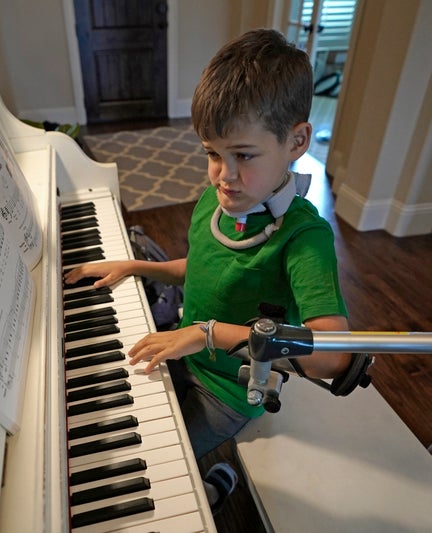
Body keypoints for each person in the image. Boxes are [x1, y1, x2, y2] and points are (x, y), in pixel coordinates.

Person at [64, 28, 352, 514]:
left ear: (297, 140)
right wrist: (137, 265)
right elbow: (205, 270)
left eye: (244, 155)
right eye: (213, 154)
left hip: (229, 391)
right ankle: (212, 480)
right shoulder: (216, 202)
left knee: (146, 471)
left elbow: (331, 357)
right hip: (189, 352)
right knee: (104, 424)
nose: (224, 174)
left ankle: (214, 486)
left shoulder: (305, 238)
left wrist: (208, 333)